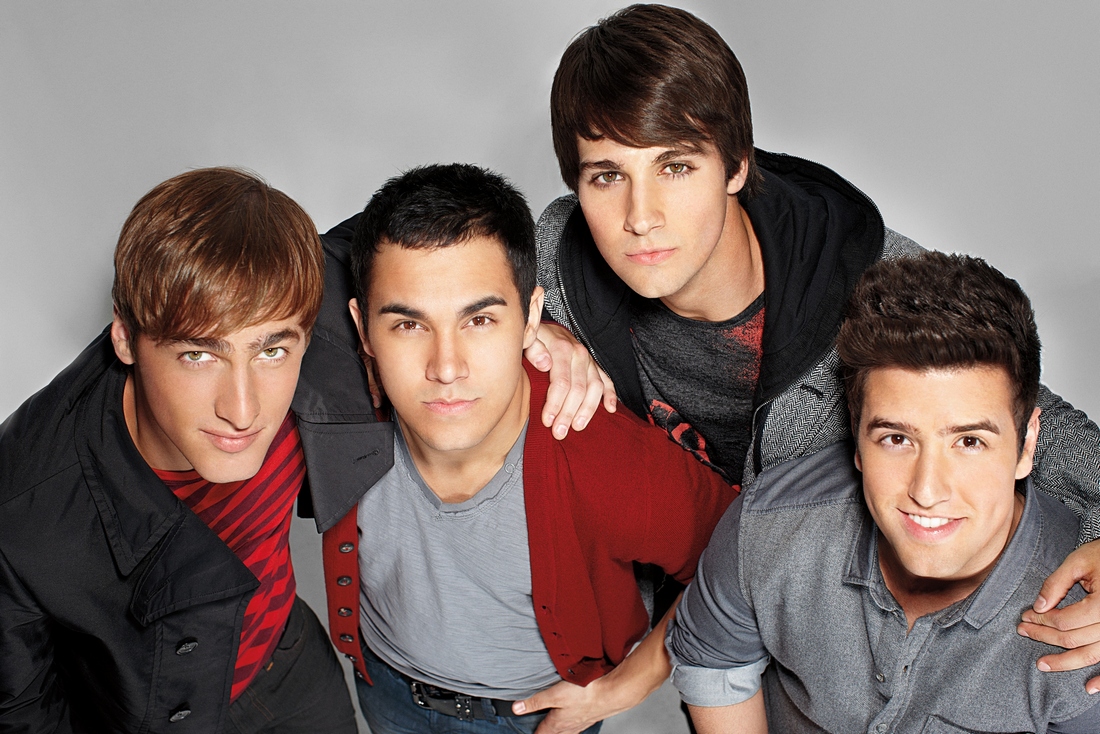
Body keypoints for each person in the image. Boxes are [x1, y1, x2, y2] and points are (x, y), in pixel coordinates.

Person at [535, 3, 1100, 679]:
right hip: (701, 639)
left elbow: (1044, 433)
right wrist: (535, 332)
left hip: (857, 650)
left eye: (676, 167)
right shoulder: (559, 263)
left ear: (736, 165)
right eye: (608, 176)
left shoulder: (874, 292)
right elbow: (430, 288)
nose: (640, 216)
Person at [318, 162, 735, 734]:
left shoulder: (597, 448)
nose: (446, 368)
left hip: (531, 716)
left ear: (532, 316)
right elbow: (271, 260)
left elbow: (736, 551)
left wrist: (628, 683)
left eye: (480, 320)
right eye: (409, 326)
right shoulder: (332, 408)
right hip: (387, 688)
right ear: (362, 328)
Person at [667, 252, 1100, 733]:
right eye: (896, 439)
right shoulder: (770, 523)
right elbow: (714, 660)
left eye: (969, 442)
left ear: (1027, 444)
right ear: (857, 435)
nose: (927, 491)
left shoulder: (1086, 630)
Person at [0, 168, 361, 733]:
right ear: (126, 338)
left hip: (290, 669)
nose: (242, 411)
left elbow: (456, 242)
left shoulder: (317, 298)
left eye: (270, 352)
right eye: (198, 355)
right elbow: (22, 712)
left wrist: (539, 332)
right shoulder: (25, 509)